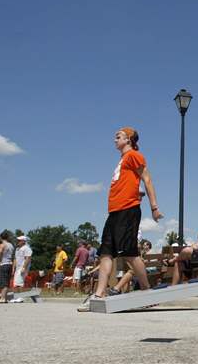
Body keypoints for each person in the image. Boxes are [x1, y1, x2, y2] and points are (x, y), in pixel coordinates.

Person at [78, 126, 163, 312]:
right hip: (114, 211)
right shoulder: (122, 159)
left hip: (128, 209)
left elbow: (147, 179)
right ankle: (99, 295)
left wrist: (154, 208)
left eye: (119, 136)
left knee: (130, 254)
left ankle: (147, 292)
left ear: (129, 139)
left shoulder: (134, 155)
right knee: (105, 253)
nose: (115, 139)